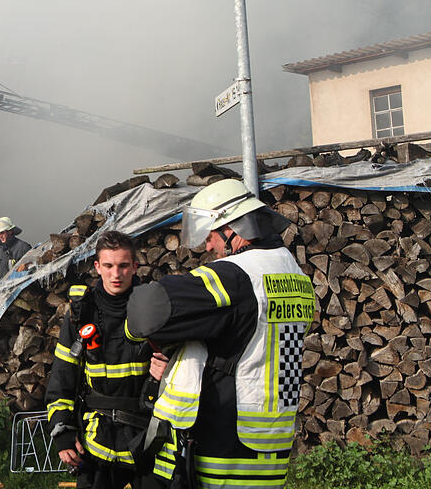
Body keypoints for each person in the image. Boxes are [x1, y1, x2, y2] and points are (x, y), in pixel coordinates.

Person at [126, 179, 315, 489]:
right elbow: (246, 343)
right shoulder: (296, 276)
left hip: (216, 453)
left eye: (211, 235)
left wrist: (164, 340)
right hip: (268, 450)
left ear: (233, 228)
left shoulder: (237, 276)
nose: (208, 246)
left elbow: (146, 311)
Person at [45, 231, 166, 489]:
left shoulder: (155, 308)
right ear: (97, 267)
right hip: (96, 440)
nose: (116, 274)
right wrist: (62, 432)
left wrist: (167, 371)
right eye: (109, 266)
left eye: (123, 266)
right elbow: (62, 376)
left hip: (148, 436)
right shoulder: (82, 312)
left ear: (135, 266)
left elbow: (183, 366)